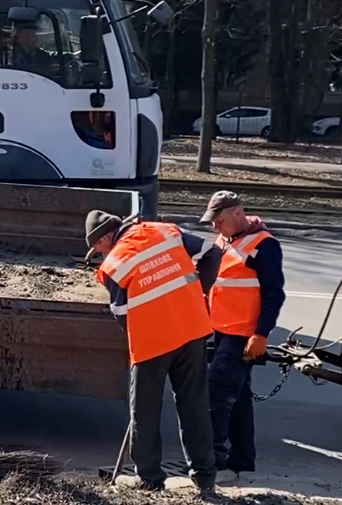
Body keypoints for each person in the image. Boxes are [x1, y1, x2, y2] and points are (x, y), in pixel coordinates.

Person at [85, 210, 220, 495]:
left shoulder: (115, 263)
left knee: (144, 411)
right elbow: (211, 252)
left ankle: (148, 477)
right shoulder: (165, 231)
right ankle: (205, 477)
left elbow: (121, 314)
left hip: (153, 342)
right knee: (194, 405)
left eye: (97, 247)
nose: (98, 254)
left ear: (106, 237)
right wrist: (198, 292)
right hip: (193, 329)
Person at [199, 191, 286, 478]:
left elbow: (274, 294)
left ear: (238, 213)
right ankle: (242, 459)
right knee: (239, 398)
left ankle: (212, 461)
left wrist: (260, 334)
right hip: (222, 329)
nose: (215, 227)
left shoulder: (265, 245)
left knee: (217, 393)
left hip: (242, 334)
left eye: (219, 221)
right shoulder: (226, 239)